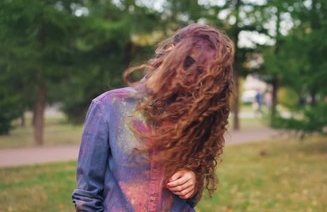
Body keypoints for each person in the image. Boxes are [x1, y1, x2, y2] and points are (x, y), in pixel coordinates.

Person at [72, 24, 234, 211]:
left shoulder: (195, 115)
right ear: (169, 52)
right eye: (190, 65)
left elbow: (191, 198)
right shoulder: (108, 106)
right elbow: (86, 196)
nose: (193, 81)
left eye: (203, 78)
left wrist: (192, 179)